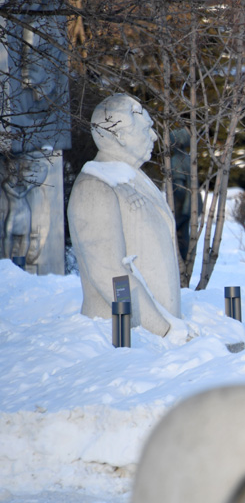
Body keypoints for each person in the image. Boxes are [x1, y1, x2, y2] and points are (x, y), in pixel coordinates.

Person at [68, 94, 187, 340]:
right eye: (146, 129)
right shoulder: (94, 186)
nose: (154, 136)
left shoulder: (133, 177)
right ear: (119, 136)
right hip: (126, 338)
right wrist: (163, 330)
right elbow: (109, 272)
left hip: (157, 339)